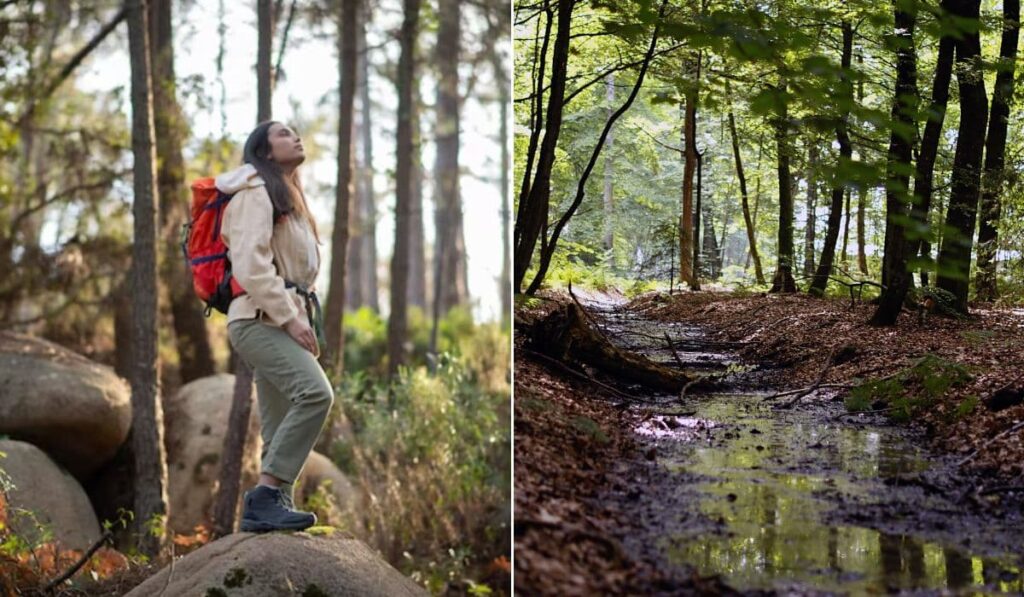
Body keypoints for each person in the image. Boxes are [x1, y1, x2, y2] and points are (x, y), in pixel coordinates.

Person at [218, 120, 332, 533]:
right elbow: (250, 265)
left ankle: (276, 507)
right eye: (283, 134)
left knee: (279, 421)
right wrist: (290, 318)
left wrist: (295, 318)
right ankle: (265, 496)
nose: (295, 137)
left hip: (279, 320)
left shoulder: (291, 201)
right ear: (265, 153)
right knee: (316, 394)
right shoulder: (253, 192)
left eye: (295, 132)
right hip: (258, 319)